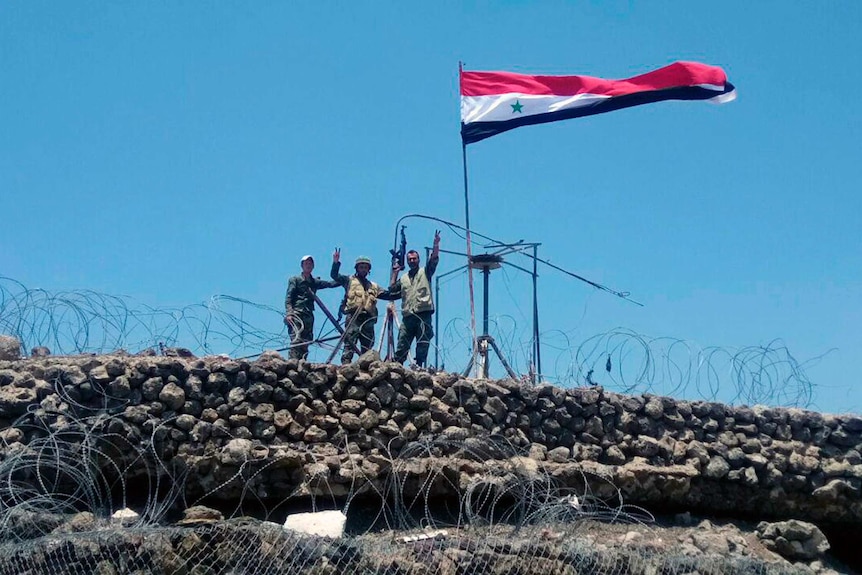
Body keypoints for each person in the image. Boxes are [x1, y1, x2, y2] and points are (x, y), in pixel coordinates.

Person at [330, 249, 400, 364]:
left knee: (367, 347)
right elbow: (334, 275)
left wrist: (404, 290)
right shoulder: (349, 280)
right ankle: (346, 365)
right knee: (349, 343)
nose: (363, 269)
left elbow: (388, 295)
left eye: (365, 267)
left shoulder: (373, 286)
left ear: (369, 270)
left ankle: (365, 368)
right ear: (357, 268)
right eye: (361, 267)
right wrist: (336, 262)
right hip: (353, 317)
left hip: (368, 319)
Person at [390, 231, 440, 367]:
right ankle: (397, 366)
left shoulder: (425, 272)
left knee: (422, 342)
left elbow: (434, 260)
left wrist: (436, 245)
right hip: (408, 315)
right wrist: (395, 273)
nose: (412, 261)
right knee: (402, 342)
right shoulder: (404, 278)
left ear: (418, 260)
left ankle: (418, 366)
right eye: (410, 259)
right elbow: (393, 289)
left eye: (414, 259)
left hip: (423, 313)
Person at [284, 255, 340, 360]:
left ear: (313, 266)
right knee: (296, 339)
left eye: (310, 264)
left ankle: (302, 362)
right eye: (306, 264)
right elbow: (289, 298)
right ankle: (293, 362)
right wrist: (289, 313)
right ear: (302, 266)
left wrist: (344, 278)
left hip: (308, 314)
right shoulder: (295, 280)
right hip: (297, 313)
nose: (308, 265)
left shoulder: (314, 282)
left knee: (306, 341)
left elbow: (330, 284)